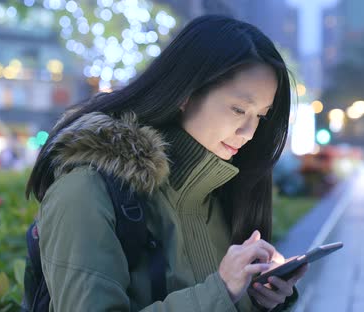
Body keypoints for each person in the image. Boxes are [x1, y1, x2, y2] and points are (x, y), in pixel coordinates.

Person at [25, 15, 307, 311]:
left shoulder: (221, 192)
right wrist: (220, 291)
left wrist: (260, 298)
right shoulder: (86, 190)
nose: (249, 133)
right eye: (239, 109)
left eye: (261, 116)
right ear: (185, 93)